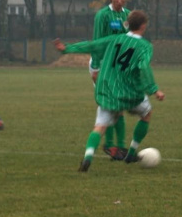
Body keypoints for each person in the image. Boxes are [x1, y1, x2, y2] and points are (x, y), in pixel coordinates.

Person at [54, 10, 165, 172]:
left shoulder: (115, 39)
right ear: (143, 26)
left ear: (128, 23)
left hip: (109, 92)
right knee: (146, 114)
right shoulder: (145, 46)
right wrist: (154, 90)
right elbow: (143, 67)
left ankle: (88, 156)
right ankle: (131, 152)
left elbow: (92, 45)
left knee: (99, 127)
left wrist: (67, 49)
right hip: (131, 93)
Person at [91, 0, 131, 161]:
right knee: (111, 105)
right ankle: (112, 146)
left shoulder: (128, 15)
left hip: (118, 67)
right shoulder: (103, 15)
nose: (120, 0)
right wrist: (96, 68)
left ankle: (117, 147)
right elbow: (97, 41)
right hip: (103, 65)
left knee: (118, 107)